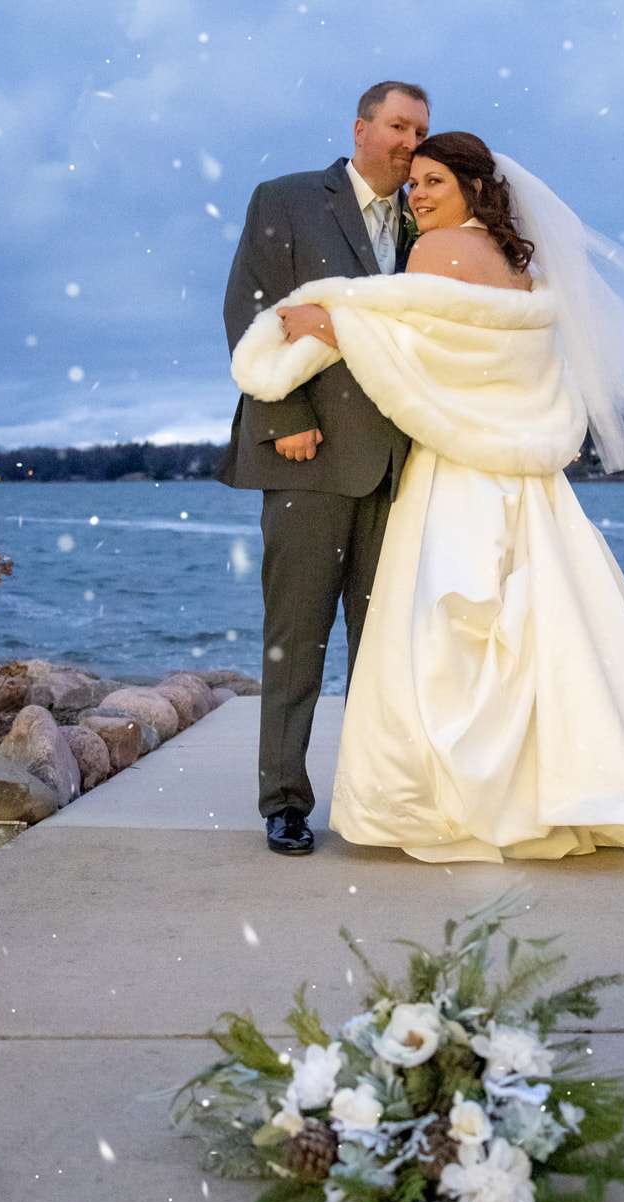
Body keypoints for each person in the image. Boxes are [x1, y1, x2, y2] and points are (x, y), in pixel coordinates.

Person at [231, 131, 624, 862]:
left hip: (454, 469)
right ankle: (568, 790)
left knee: (442, 635)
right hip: (520, 476)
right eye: (413, 177)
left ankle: (451, 800)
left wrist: (331, 321)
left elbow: (426, 352)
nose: (417, 190)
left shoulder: (434, 251)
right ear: (362, 129)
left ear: (472, 188)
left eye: (432, 179)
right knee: (543, 634)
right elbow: (479, 352)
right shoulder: (514, 261)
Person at [216, 81, 430, 856]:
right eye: (399, 126)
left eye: (421, 131)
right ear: (362, 128)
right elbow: (251, 312)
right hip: (308, 458)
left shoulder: (428, 219)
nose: (411, 142)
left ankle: (381, 801)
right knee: (296, 641)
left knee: (384, 650)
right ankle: (284, 801)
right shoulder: (287, 198)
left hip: (401, 467)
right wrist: (284, 420)